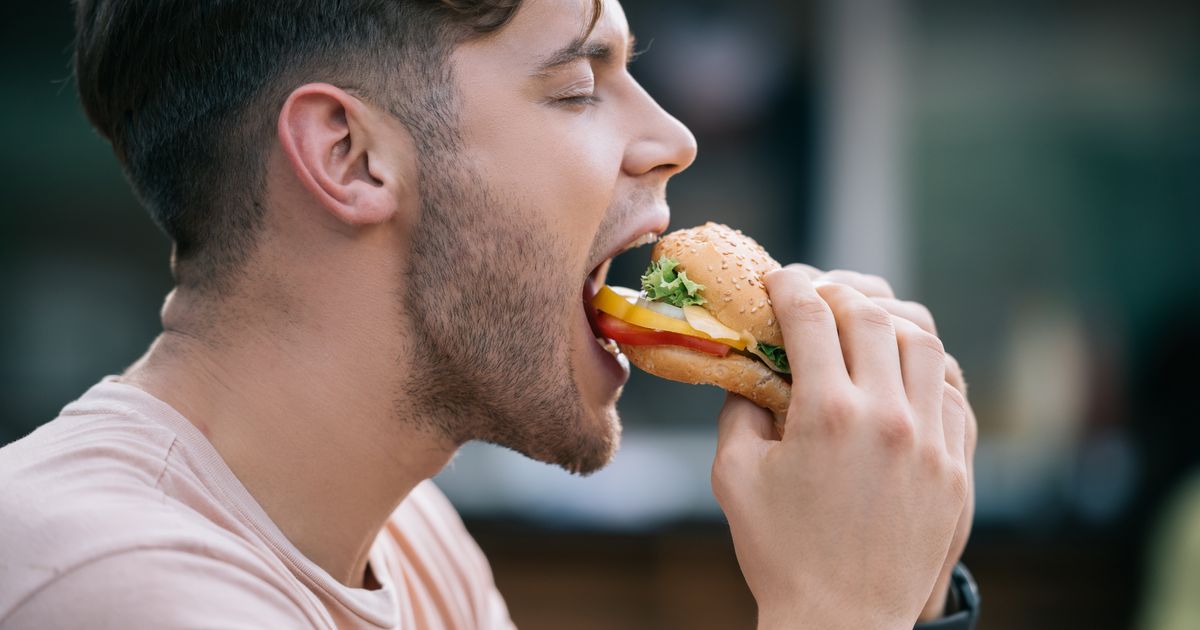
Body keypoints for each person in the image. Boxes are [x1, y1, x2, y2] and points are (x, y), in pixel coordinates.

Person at [0, 0, 979, 628]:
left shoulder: (415, 546)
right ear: (349, 155)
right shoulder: (107, 582)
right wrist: (836, 609)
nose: (673, 138)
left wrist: (911, 592)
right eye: (579, 85)